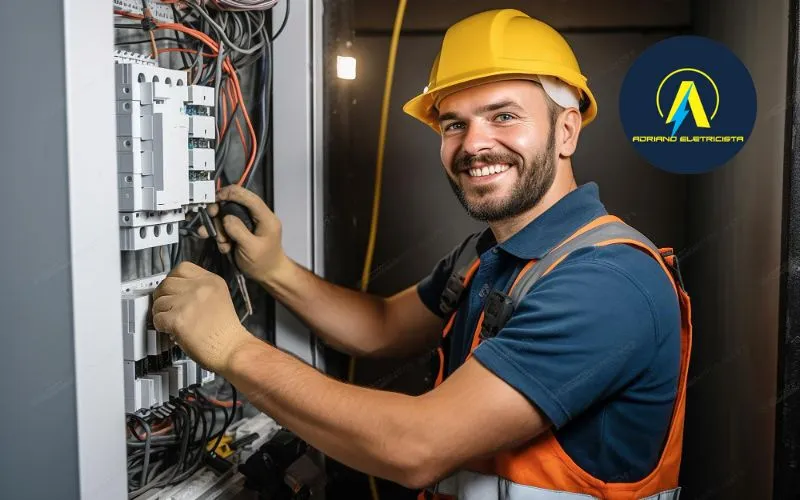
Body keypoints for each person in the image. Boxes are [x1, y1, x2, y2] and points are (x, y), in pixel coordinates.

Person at [153, 9, 692, 499]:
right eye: (454, 123)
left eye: (503, 116)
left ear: (566, 130)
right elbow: (381, 327)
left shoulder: (606, 281)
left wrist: (231, 349)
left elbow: (416, 448)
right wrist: (273, 269)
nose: (474, 144)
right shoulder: (487, 256)